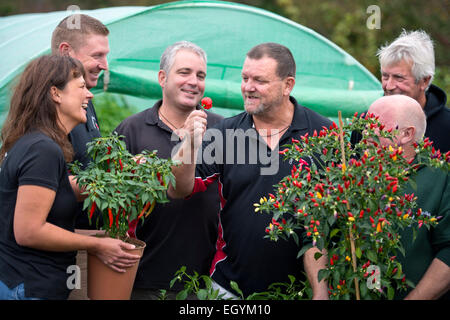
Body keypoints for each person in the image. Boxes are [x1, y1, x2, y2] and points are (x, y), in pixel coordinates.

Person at [168, 42, 331, 298]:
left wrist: (321, 292)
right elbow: (178, 190)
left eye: (260, 80)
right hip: (228, 287)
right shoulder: (223, 134)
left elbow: (327, 221)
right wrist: (188, 144)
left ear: (288, 85)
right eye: (245, 78)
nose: (248, 87)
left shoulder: (323, 135)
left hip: (298, 291)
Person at [0, 55, 140, 300]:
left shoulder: (37, 144)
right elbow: (29, 231)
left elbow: (53, 213)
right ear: (56, 93)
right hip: (28, 288)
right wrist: (97, 245)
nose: (90, 95)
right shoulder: (42, 150)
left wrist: (101, 236)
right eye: (81, 86)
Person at [114, 41, 223, 299]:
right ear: (162, 78)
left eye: (200, 75)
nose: (193, 82)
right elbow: (113, 204)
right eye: (184, 72)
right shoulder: (131, 130)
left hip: (206, 282)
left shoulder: (221, 129)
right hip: (144, 278)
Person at [367, 95, 450, 300]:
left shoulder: (441, 178)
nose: (365, 130)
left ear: (406, 133)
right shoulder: (358, 174)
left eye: (375, 123)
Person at [51, 14, 110, 228]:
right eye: (97, 55)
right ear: (66, 51)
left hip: (85, 238)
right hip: (62, 245)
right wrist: (120, 179)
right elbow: (49, 186)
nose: (104, 65)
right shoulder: (47, 110)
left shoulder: (84, 99)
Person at [377, 30, 449, 152]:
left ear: (424, 81)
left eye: (399, 78)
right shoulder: (367, 122)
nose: (388, 86)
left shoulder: (446, 127)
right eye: (385, 76)